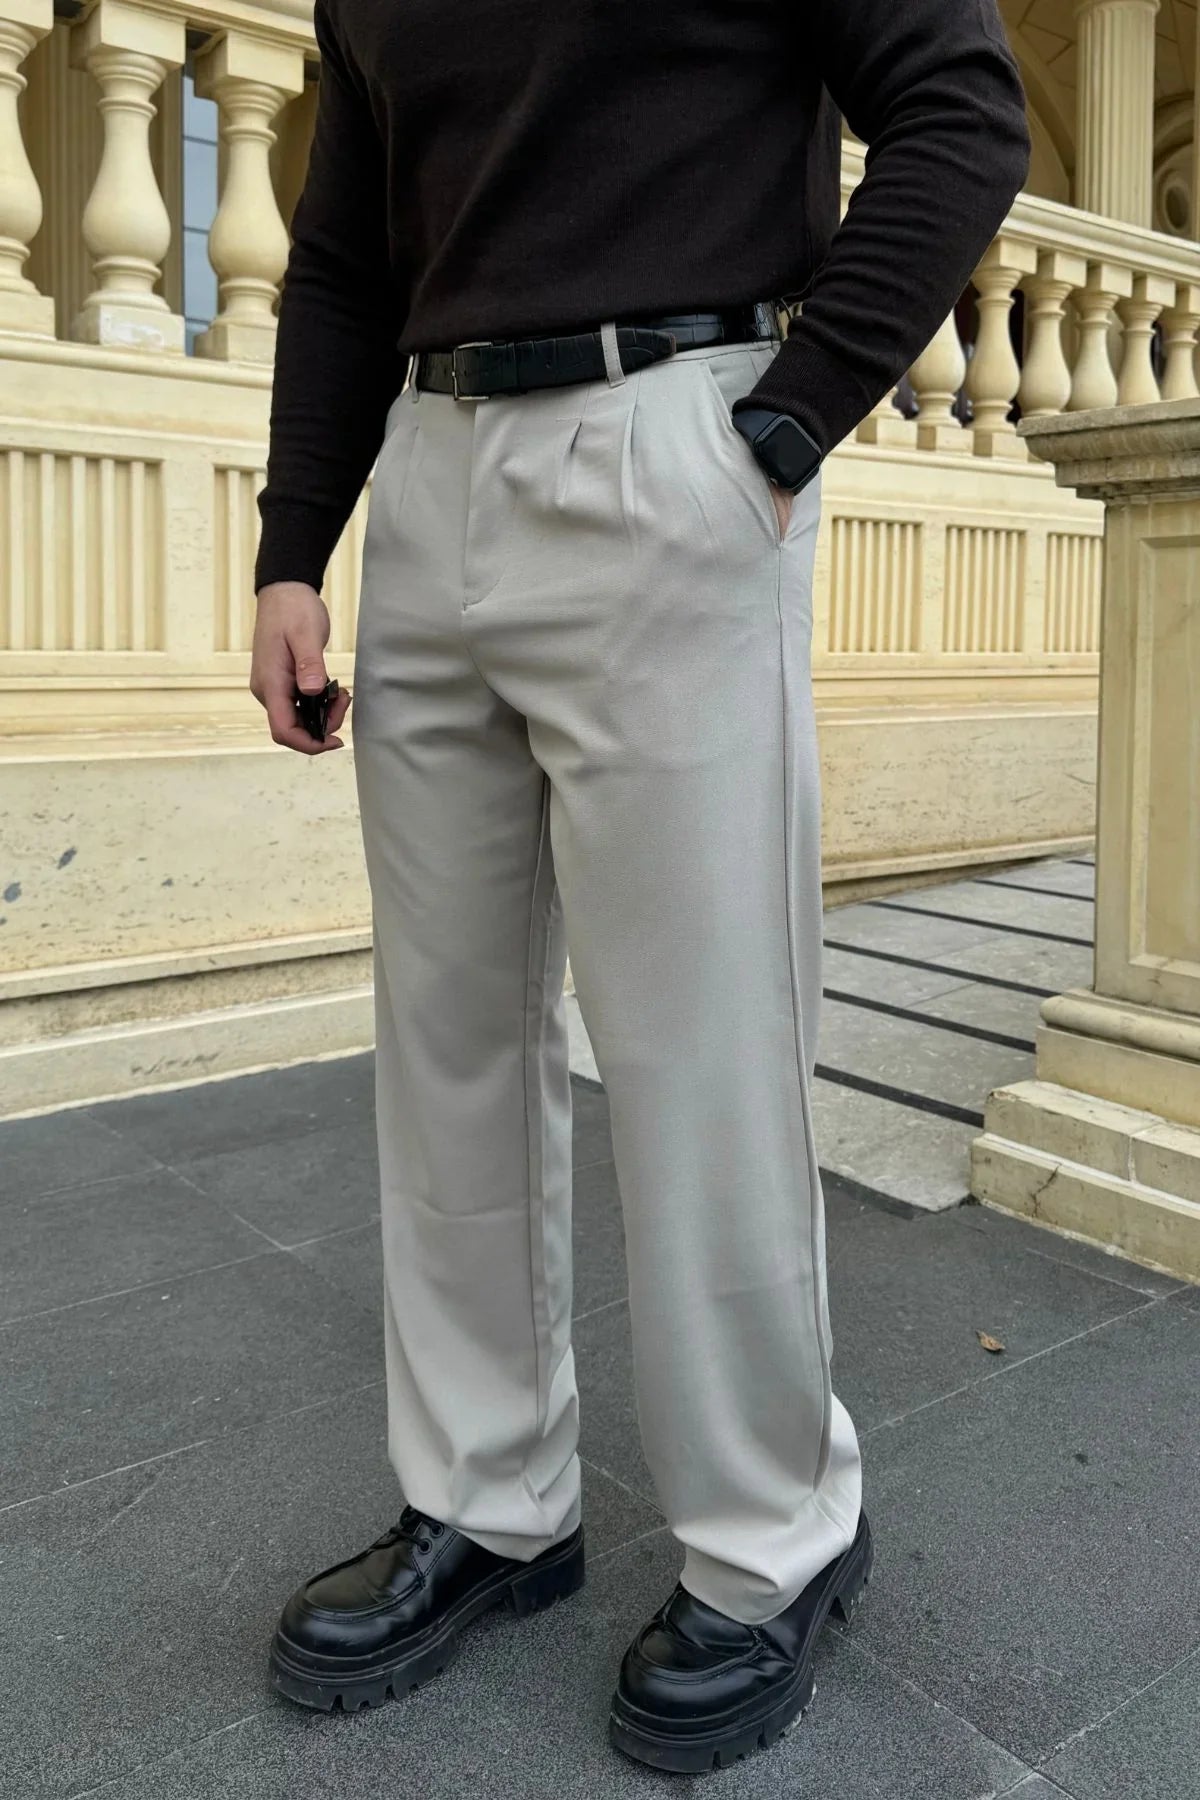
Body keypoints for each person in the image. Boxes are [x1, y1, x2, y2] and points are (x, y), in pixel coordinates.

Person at [250, 0, 1030, 1772]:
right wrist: (296, 546)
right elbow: (343, 253)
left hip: (673, 440)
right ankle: (487, 1501)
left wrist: (787, 423)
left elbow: (963, 110)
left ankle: (775, 1535)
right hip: (430, 480)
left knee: (701, 1045)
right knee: (447, 1040)